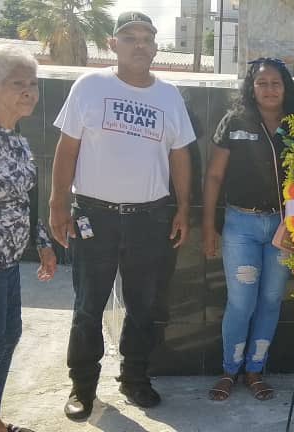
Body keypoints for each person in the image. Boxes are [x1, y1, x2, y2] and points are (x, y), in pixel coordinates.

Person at [49, 11, 195, 419]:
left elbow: (180, 155)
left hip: (149, 218)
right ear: (113, 44)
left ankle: (135, 378)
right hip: (94, 215)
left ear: (155, 45)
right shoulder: (90, 87)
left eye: (147, 37)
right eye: (129, 37)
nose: (139, 44)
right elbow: (67, 147)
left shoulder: (168, 96)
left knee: (144, 306)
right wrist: (58, 203)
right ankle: (83, 387)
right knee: (87, 305)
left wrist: (182, 207)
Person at [202, 57, 294, 402]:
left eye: (276, 83)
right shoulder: (234, 122)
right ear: (252, 87)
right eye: (262, 83)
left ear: (285, 86)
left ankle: (255, 370)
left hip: (283, 227)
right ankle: (230, 370)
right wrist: (208, 226)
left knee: (271, 300)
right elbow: (214, 175)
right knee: (242, 303)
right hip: (240, 226)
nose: (270, 89)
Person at [0, 45, 57, 432]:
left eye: (33, 84)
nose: (29, 91)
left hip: (8, 261)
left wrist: (43, 243)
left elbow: (26, 200)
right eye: (19, 84)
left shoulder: (17, 140)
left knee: (6, 337)